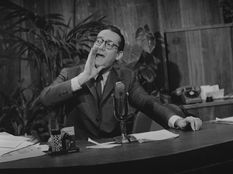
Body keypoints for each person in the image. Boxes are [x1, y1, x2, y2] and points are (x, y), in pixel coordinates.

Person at [39, 25, 202, 140]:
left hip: (114, 152)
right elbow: (45, 98)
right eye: (99, 41)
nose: (101, 47)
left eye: (109, 44)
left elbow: (147, 102)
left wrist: (177, 121)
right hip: (78, 153)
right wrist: (83, 78)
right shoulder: (71, 73)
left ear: (118, 55)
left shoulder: (126, 76)